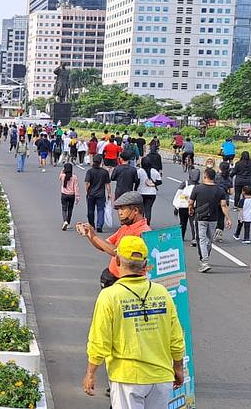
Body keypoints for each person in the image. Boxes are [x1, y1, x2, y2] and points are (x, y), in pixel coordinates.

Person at [83, 236, 185, 409]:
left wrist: (90, 373)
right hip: (161, 378)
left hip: (128, 378)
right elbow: (176, 338)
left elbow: (100, 341)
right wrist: (178, 368)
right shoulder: (162, 292)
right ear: (145, 265)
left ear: (116, 260)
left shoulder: (109, 296)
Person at [77, 191, 151, 288]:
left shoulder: (143, 232)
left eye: (122, 209)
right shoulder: (125, 227)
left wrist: (95, 236)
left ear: (135, 210)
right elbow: (104, 245)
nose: (119, 213)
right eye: (118, 209)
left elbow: (118, 252)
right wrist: (89, 234)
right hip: (113, 277)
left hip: (126, 283)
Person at [189, 168, 232, 273]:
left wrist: (190, 210)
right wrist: (228, 218)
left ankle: (204, 261)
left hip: (200, 217)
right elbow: (223, 205)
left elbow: (190, 202)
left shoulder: (197, 188)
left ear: (205, 176)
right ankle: (205, 258)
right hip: (213, 218)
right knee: (209, 240)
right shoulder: (220, 190)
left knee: (202, 239)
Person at [84, 155, 112, 233]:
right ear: (101, 162)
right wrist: (109, 193)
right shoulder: (104, 172)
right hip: (101, 194)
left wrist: (87, 191)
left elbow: (87, 183)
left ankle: (91, 225)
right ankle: (99, 225)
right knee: (100, 210)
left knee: (90, 210)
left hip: (91, 194)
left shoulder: (90, 171)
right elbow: (107, 184)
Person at [138, 156, 161, 224]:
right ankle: (147, 224)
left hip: (141, 192)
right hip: (152, 193)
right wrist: (153, 184)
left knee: (141, 210)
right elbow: (159, 182)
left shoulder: (139, 171)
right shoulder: (154, 171)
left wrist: (135, 189)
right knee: (148, 209)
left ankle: (141, 224)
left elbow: (136, 181)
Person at [60, 163, 80, 231]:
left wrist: (62, 170)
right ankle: (68, 223)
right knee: (70, 209)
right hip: (72, 195)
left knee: (64, 208)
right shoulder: (74, 177)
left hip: (64, 194)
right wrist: (77, 196)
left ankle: (65, 220)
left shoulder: (63, 176)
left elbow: (59, 177)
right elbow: (76, 187)